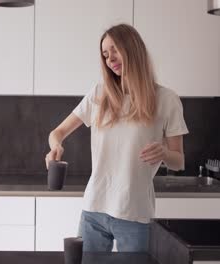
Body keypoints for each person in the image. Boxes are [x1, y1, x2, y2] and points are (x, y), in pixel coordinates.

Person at [45, 24, 188, 252]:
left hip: (135, 213)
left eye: (114, 49)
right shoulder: (99, 94)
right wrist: (55, 147)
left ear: (132, 48)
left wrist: (164, 153)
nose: (109, 58)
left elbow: (179, 161)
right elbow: (57, 133)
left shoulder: (166, 99)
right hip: (94, 208)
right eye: (104, 54)